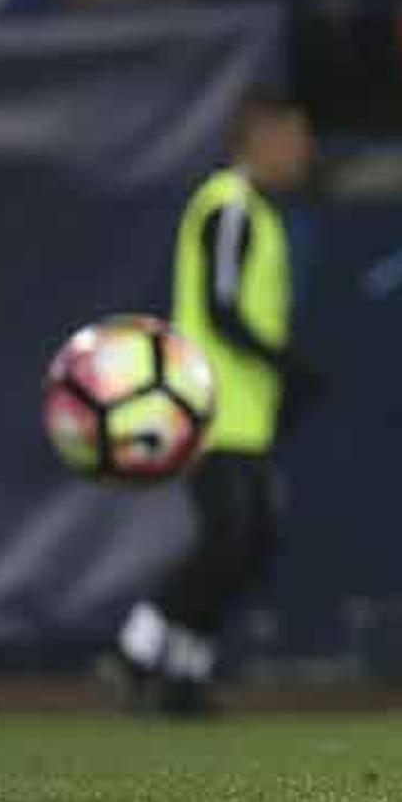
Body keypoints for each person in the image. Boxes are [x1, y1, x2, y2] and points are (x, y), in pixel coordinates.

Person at [115, 91, 318, 716]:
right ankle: (138, 646)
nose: (305, 151)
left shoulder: (256, 212)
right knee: (229, 541)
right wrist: (286, 363)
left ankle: (185, 676)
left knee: (250, 544)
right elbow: (221, 305)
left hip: (247, 413)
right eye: (296, 135)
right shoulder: (227, 205)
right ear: (264, 135)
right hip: (210, 407)